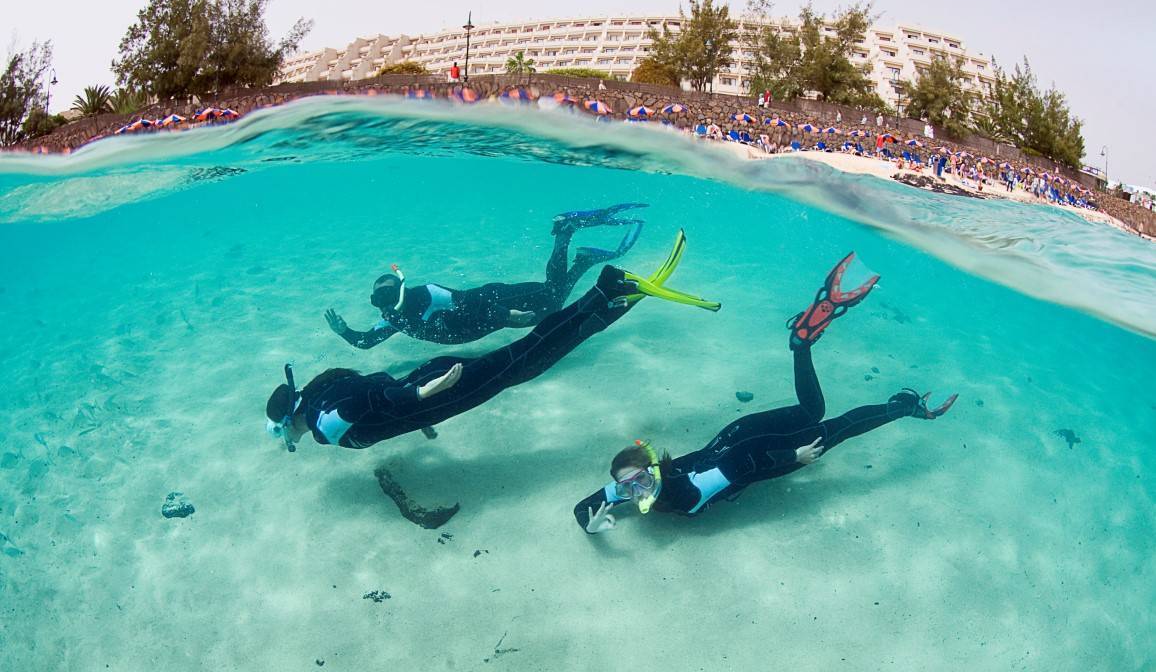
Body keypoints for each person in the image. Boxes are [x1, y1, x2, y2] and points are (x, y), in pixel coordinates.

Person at [573, 253, 957, 533]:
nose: (637, 488)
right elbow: (584, 506)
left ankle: (906, 407)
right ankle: (803, 344)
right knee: (813, 410)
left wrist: (795, 456)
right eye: (629, 485)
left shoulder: (687, 494)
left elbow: (745, 461)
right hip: (735, 432)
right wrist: (593, 523)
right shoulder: (638, 487)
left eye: (640, 478)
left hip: (760, 453)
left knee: (835, 428)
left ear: (653, 468)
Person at [266, 232, 721, 451]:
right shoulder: (321, 392)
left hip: (444, 384)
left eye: (278, 433)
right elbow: (368, 391)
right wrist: (413, 410)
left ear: (289, 422)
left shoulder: (326, 424)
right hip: (431, 383)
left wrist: (420, 396)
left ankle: (608, 287)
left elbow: (368, 399)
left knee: (530, 356)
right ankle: (616, 297)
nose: (283, 439)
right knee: (529, 357)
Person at [325, 204, 646, 349]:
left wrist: (507, 316)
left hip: (496, 299)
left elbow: (467, 305)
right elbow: (366, 342)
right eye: (377, 299)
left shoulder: (427, 295)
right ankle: (579, 254)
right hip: (493, 312)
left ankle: (566, 233)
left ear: (402, 290)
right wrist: (343, 332)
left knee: (551, 300)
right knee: (553, 301)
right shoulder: (393, 319)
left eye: (388, 295)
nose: (383, 305)